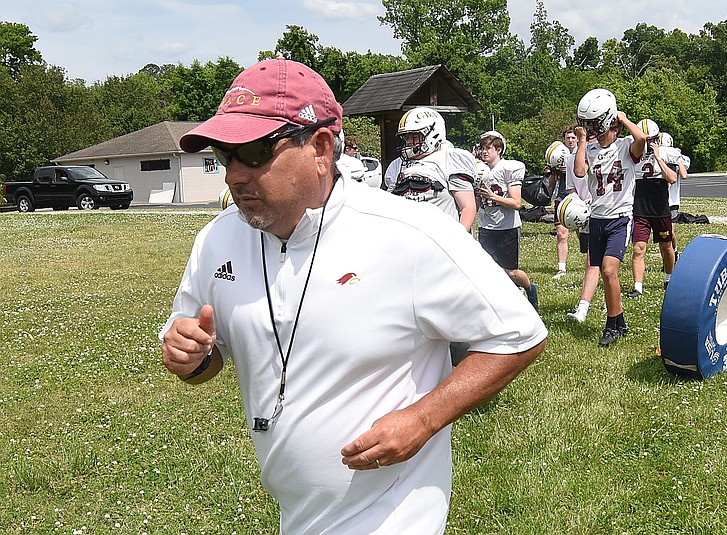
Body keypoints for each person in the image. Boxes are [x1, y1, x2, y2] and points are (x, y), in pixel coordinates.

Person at [159, 58, 547, 535]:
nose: (233, 175)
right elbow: (204, 355)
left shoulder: (408, 233)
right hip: (298, 516)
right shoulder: (216, 241)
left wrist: (423, 420)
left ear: (321, 148)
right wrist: (190, 356)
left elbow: (519, 333)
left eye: (256, 151)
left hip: (393, 515)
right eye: (225, 154)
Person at [574, 88, 646, 346]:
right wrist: (582, 141)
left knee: (608, 270)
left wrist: (623, 119)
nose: (590, 128)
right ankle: (619, 321)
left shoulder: (625, 146)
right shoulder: (590, 149)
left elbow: (642, 139)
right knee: (604, 272)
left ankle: (611, 327)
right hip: (597, 218)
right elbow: (580, 172)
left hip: (619, 218)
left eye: (594, 123)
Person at [384, 107, 477, 232]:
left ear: (433, 133)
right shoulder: (397, 166)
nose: (409, 142)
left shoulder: (449, 159)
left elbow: (468, 208)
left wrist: (457, 240)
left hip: (441, 241)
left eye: (415, 136)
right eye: (407, 137)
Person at [476, 130, 539, 311]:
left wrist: (492, 196)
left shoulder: (508, 168)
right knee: (487, 270)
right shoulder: (480, 170)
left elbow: (516, 203)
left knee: (510, 271)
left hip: (506, 227)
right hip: (486, 225)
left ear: (499, 149)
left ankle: (529, 287)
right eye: (482, 148)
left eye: (488, 148)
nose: (484, 152)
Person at [627, 119, 678, 298]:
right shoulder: (632, 153)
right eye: (645, 140)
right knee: (638, 248)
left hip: (660, 207)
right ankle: (638, 287)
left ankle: (668, 278)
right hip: (641, 207)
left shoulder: (664, 153)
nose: (648, 144)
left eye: (651, 140)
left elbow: (672, 178)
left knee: (666, 246)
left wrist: (658, 158)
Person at [564, 134, 600, 323]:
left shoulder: (603, 152)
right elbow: (572, 187)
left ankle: (584, 307)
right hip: (585, 211)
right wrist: (577, 205)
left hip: (605, 211)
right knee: (591, 258)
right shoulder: (572, 159)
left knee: (594, 261)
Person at [552, 125, 578, 279]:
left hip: (578, 198)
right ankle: (561, 268)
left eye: (573, 137)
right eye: (568, 137)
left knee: (582, 233)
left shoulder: (583, 153)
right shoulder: (557, 155)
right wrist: (555, 171)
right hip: (561, 197)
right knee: (562, 234)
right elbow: (550, 184)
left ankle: (593, 263)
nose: (570, 140)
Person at [659, 132, 690, 258]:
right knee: (662, 234)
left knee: (670, 232)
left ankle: (675, 251)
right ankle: (666, 260)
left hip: (672, 202)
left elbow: (684, 175)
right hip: (661, 200)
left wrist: (677, 159)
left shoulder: (678, 159)